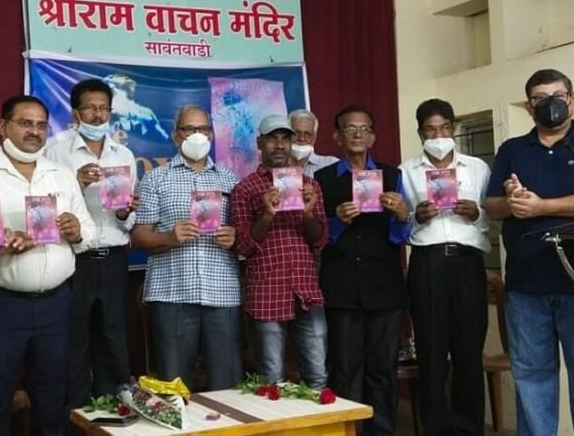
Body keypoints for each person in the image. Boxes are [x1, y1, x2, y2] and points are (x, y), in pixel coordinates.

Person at [485, 69, 574, 436]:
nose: (551, 104)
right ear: (529, 106)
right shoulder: (512, 149)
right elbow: (492, 206)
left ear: (572, 101)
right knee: (531, 381)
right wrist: (513, 202)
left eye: (558, 96)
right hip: (526, 286)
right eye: (541, 99)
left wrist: (542, 206)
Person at [0, 94, 96, 436]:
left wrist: (76, 231)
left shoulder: (61, 174)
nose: (34, 132)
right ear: (3, 126)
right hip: (1, 304)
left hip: (56, 303)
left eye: (41, 125)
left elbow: (89, 233)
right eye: (25, 123)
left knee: (52, 394)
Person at [43, 79, 139, 416]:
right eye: (90, 108)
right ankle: (76, 415)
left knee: (113, 339)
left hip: (114, 259)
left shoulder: (123, 154)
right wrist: (77, 184)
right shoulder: (55, 153)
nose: (98, 115)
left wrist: (126, 212)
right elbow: (45, 212)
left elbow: (127, 220)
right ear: (75, 113)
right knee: (75, 340)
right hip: (75, 260)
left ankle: (112, 413)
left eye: (103, 108)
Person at [131, 104, 243, 391]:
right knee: (174, 386)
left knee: (228, 385)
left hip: (222, 292)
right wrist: (170, 237)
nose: (197, 135)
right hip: (172, 293)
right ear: (175, 136)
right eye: (189, 129)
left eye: (203, 129)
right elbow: (139, 237)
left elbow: (246, 234)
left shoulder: (230, 180)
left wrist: (235, 237)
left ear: (212, 135)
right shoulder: (155, 179)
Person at [315, 105, 411, 436]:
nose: (358, 134)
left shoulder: (392, 175)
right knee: (345, 370)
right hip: (341, 288)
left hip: (384, 287)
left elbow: (401, 235)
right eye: (350, 128)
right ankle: (349, 432)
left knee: (383, 370)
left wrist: (402, 215)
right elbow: (316, 237)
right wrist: (337, 222)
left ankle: (382, 432)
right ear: (337, 137)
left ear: (373, 137)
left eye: (364, 128)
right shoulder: (323, 179)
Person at [398, 98, 492, 436]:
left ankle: (469, 429)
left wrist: (476, 213)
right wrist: (416, 217)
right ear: (420, 133)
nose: (438, 136)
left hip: (468, 263)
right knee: (431, 352)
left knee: (469, 351)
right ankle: (434, 428)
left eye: (444, 128)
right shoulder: (406, 171)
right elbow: (397, 224)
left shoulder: (477, 168)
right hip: (427, 263)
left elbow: (493, 215)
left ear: (453, 128)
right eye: (430, 130)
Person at [231, 114, 329, 388]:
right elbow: (243, 246)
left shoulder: (309, 185)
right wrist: (266, 214)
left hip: (306, 290)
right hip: (267, 292)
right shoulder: (245, 188)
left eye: (285, 138)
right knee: (272, 381)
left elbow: (320, 240)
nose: (279, 145)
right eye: (272, 138)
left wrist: (308, 214)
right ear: (259, 143)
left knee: (318, 377)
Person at [288, 109, 338, 176]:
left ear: (314, 138)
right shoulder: (276, 165)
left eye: (308, 134)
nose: (302, 138)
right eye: (296, 133)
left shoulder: (331, 164)